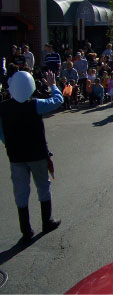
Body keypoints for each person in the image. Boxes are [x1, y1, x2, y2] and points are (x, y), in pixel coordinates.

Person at [0, 70, 62, 244]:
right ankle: (47, 222)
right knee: (43, 186)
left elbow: (1, 131)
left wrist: (8, 142)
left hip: (16, 156)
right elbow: (58, 100)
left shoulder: (3, 107)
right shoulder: (35, 104)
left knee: (20, 192)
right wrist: (53, 85)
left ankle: (26, 231)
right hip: (37, 154)